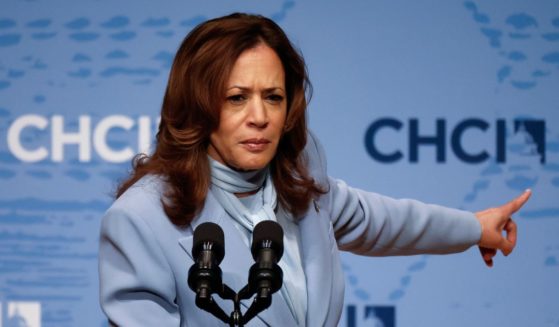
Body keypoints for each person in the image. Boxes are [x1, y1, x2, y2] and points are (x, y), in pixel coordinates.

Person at [98, 13, 531, 327]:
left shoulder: (302, 185)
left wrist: (475, 227)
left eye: (273, 96)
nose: (259, 116)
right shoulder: (141, 218)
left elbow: (385, 221)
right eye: (236, 98)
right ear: (196, 104)